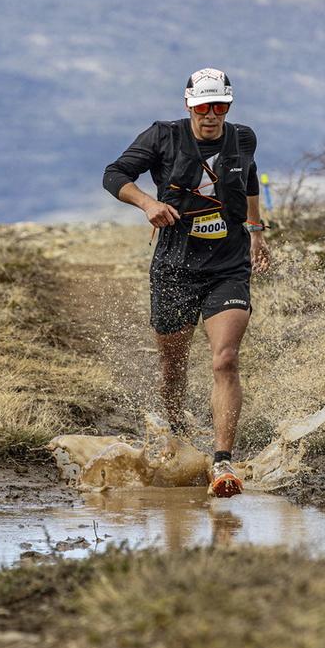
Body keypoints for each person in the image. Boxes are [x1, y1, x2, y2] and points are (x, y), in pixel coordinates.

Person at [102, 68, 271, 497]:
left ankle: (222, 463)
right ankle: (176, 436)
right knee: (173, 368)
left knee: (224, 361)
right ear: (188, 104)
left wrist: (257, 231)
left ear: (228, 106)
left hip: (228, 266)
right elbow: (114, 174)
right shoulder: (163, 136)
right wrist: (147, 203)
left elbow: (249, 179)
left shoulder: (243, 138)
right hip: (174, 266)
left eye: (220, 107)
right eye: (203, 107)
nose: (211, 115)